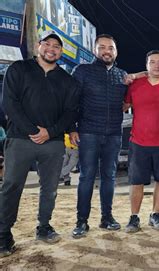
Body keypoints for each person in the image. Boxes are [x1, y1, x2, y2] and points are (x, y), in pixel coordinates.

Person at [0, 30, 79, 257]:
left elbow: (70, 113)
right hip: (19, 139)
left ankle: (44, 227)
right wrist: (34, 131)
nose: (51, 49)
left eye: (56, 46)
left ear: (60, 52)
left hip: (53, 143)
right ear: (38, 46)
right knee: (11, 186)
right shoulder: (19, 69)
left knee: (50, 189)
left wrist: (50, 132)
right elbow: (10, 103)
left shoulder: (67, 80)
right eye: (47, 44)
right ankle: (4, 234)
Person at [70, 34, 128, 238]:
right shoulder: (82, 71)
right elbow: (71, 101)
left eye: (110, 48)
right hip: (88, 132)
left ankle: (107, 218)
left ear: (116, 51)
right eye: (102, 47)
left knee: (109, 176)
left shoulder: (122, 75)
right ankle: (81, 221)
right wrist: (72, 127)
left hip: (113, 133)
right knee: (86, 177)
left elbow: (128, 100)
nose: (106, 51)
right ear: (95, 50)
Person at [122, 50, 159, 233]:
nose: (156, 66)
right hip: (139, 142)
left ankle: (155, 214)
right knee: (136, 182)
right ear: (146, 66)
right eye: (152, 62)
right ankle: (134, 216)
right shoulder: (136, 84)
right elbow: (124, 106)